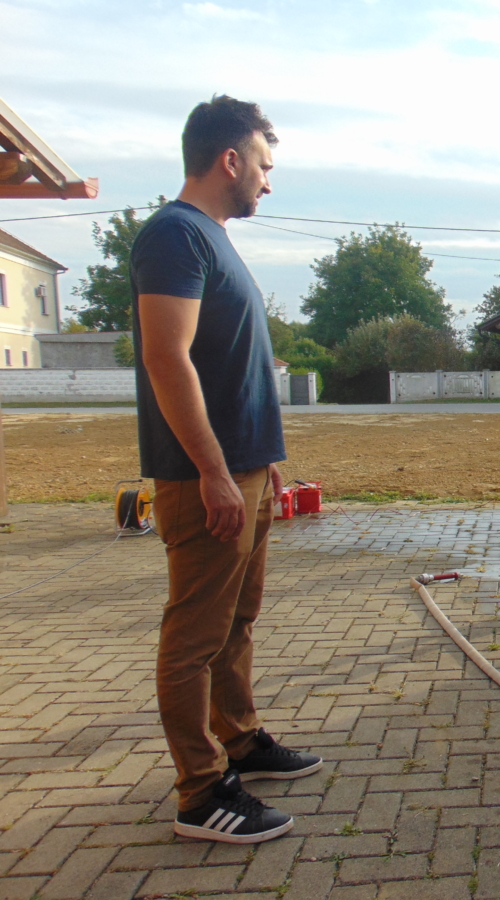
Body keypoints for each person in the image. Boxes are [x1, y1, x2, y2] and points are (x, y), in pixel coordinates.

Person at [132, 95, 321, 845]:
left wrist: (263, 460)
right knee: (194, 638)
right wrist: (212, 472)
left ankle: (239, 741)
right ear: (229, 159)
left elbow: (231, 364)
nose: (268, 182)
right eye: (264, 167)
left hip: (244, 469)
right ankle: (201, 791)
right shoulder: (174, 235)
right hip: (202, 477)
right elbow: (166, 357)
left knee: (237, 622)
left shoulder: (210, 237)